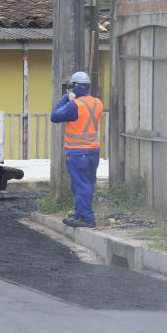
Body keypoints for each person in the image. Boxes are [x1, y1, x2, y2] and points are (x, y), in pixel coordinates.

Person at [50, 71, 103, 228]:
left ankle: (86, 218)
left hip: (78, 152)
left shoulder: (75, 105)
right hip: (93, 151)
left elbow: (54, 116)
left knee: (80, 185)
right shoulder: (98, 103)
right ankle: (80, 213)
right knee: (86, 184)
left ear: (75, 87)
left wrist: (67, 97)